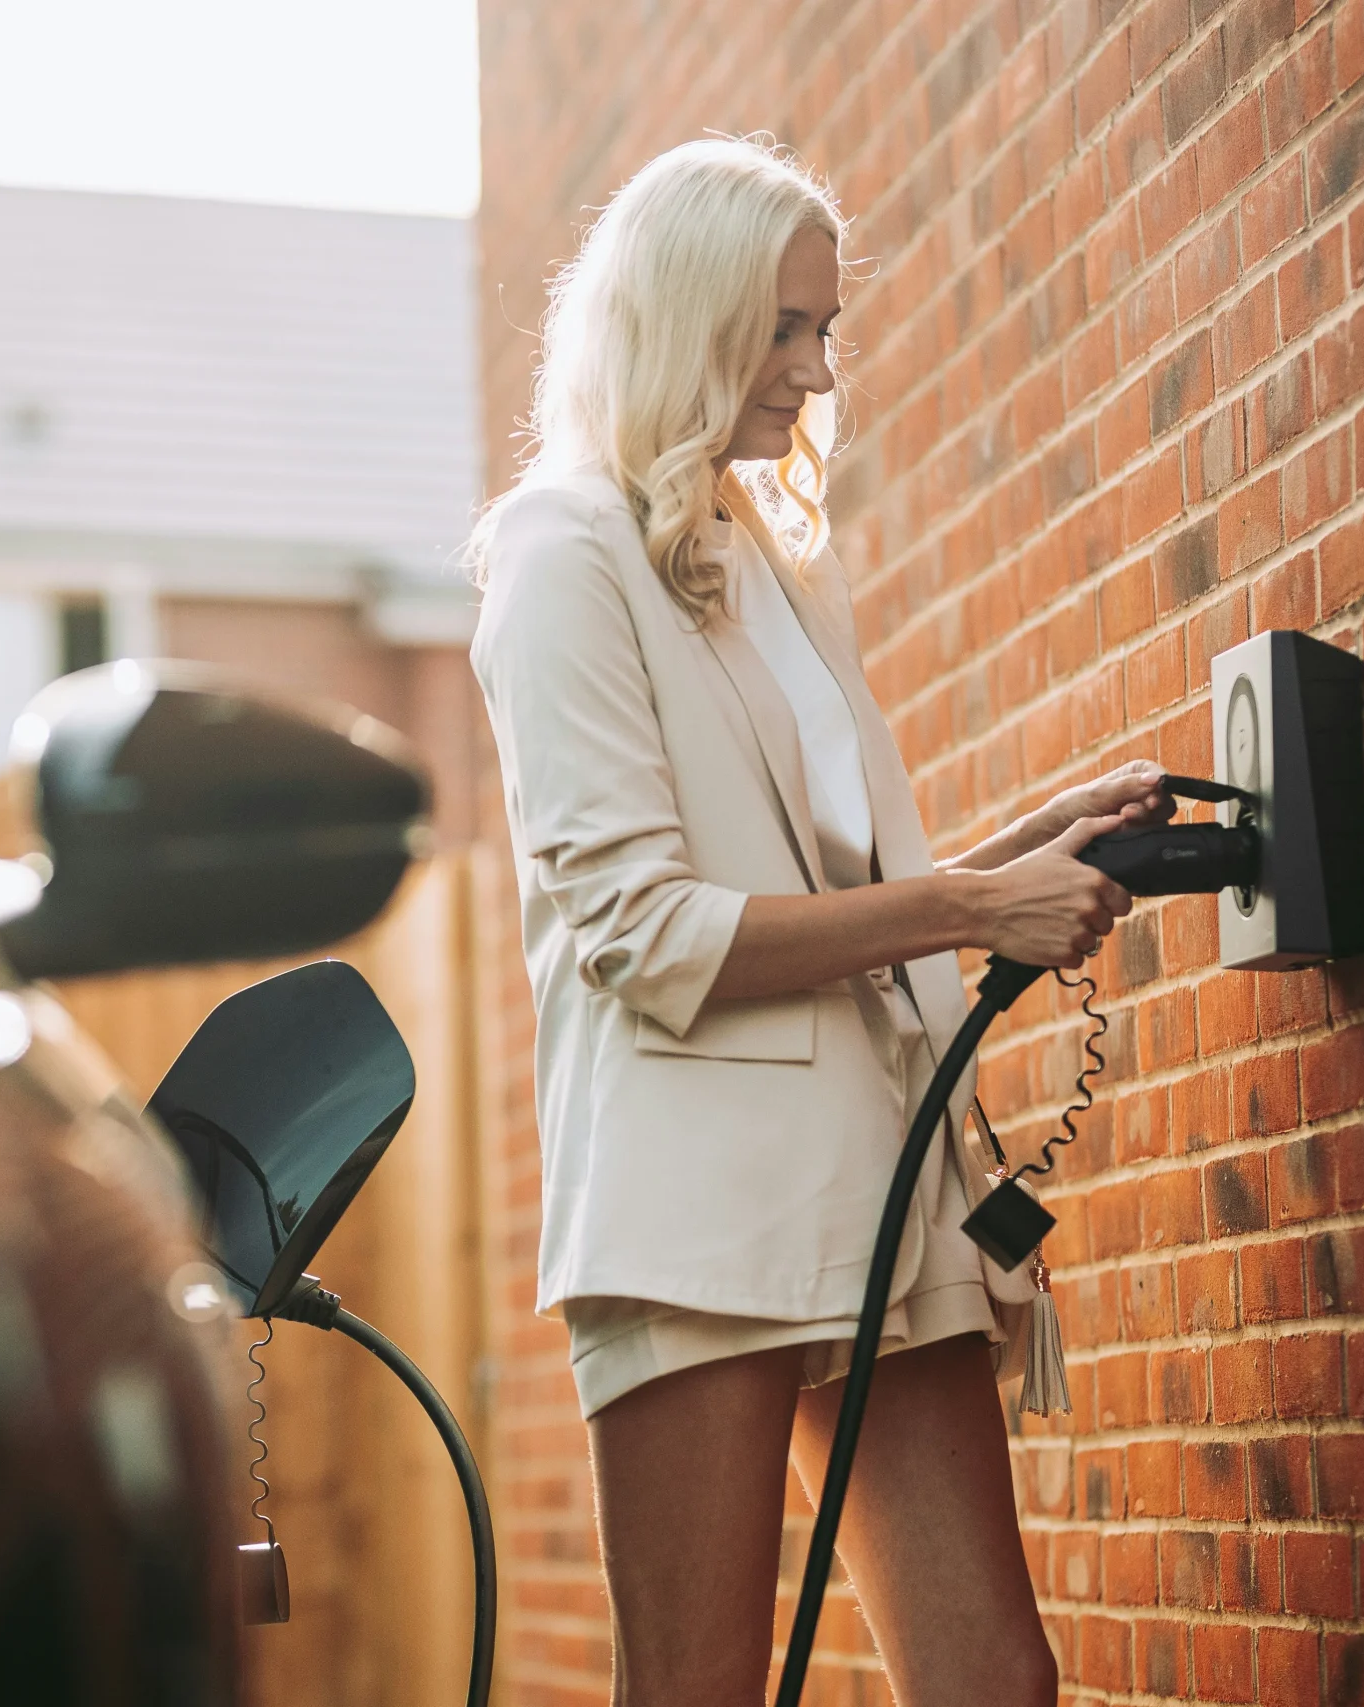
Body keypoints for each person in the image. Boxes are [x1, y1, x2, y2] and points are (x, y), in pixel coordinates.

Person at [468, 137, 1170, 1706]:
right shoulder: (558, 553)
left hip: (877, 1183)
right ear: (690, 319)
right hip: (693, 1220)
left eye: (823, 328)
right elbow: (647, 932)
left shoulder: (763, 566)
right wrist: (982, 899)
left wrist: (1034, 840)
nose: (815, 367)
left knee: (997, 1680)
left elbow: (842, 902)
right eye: (786, 327)